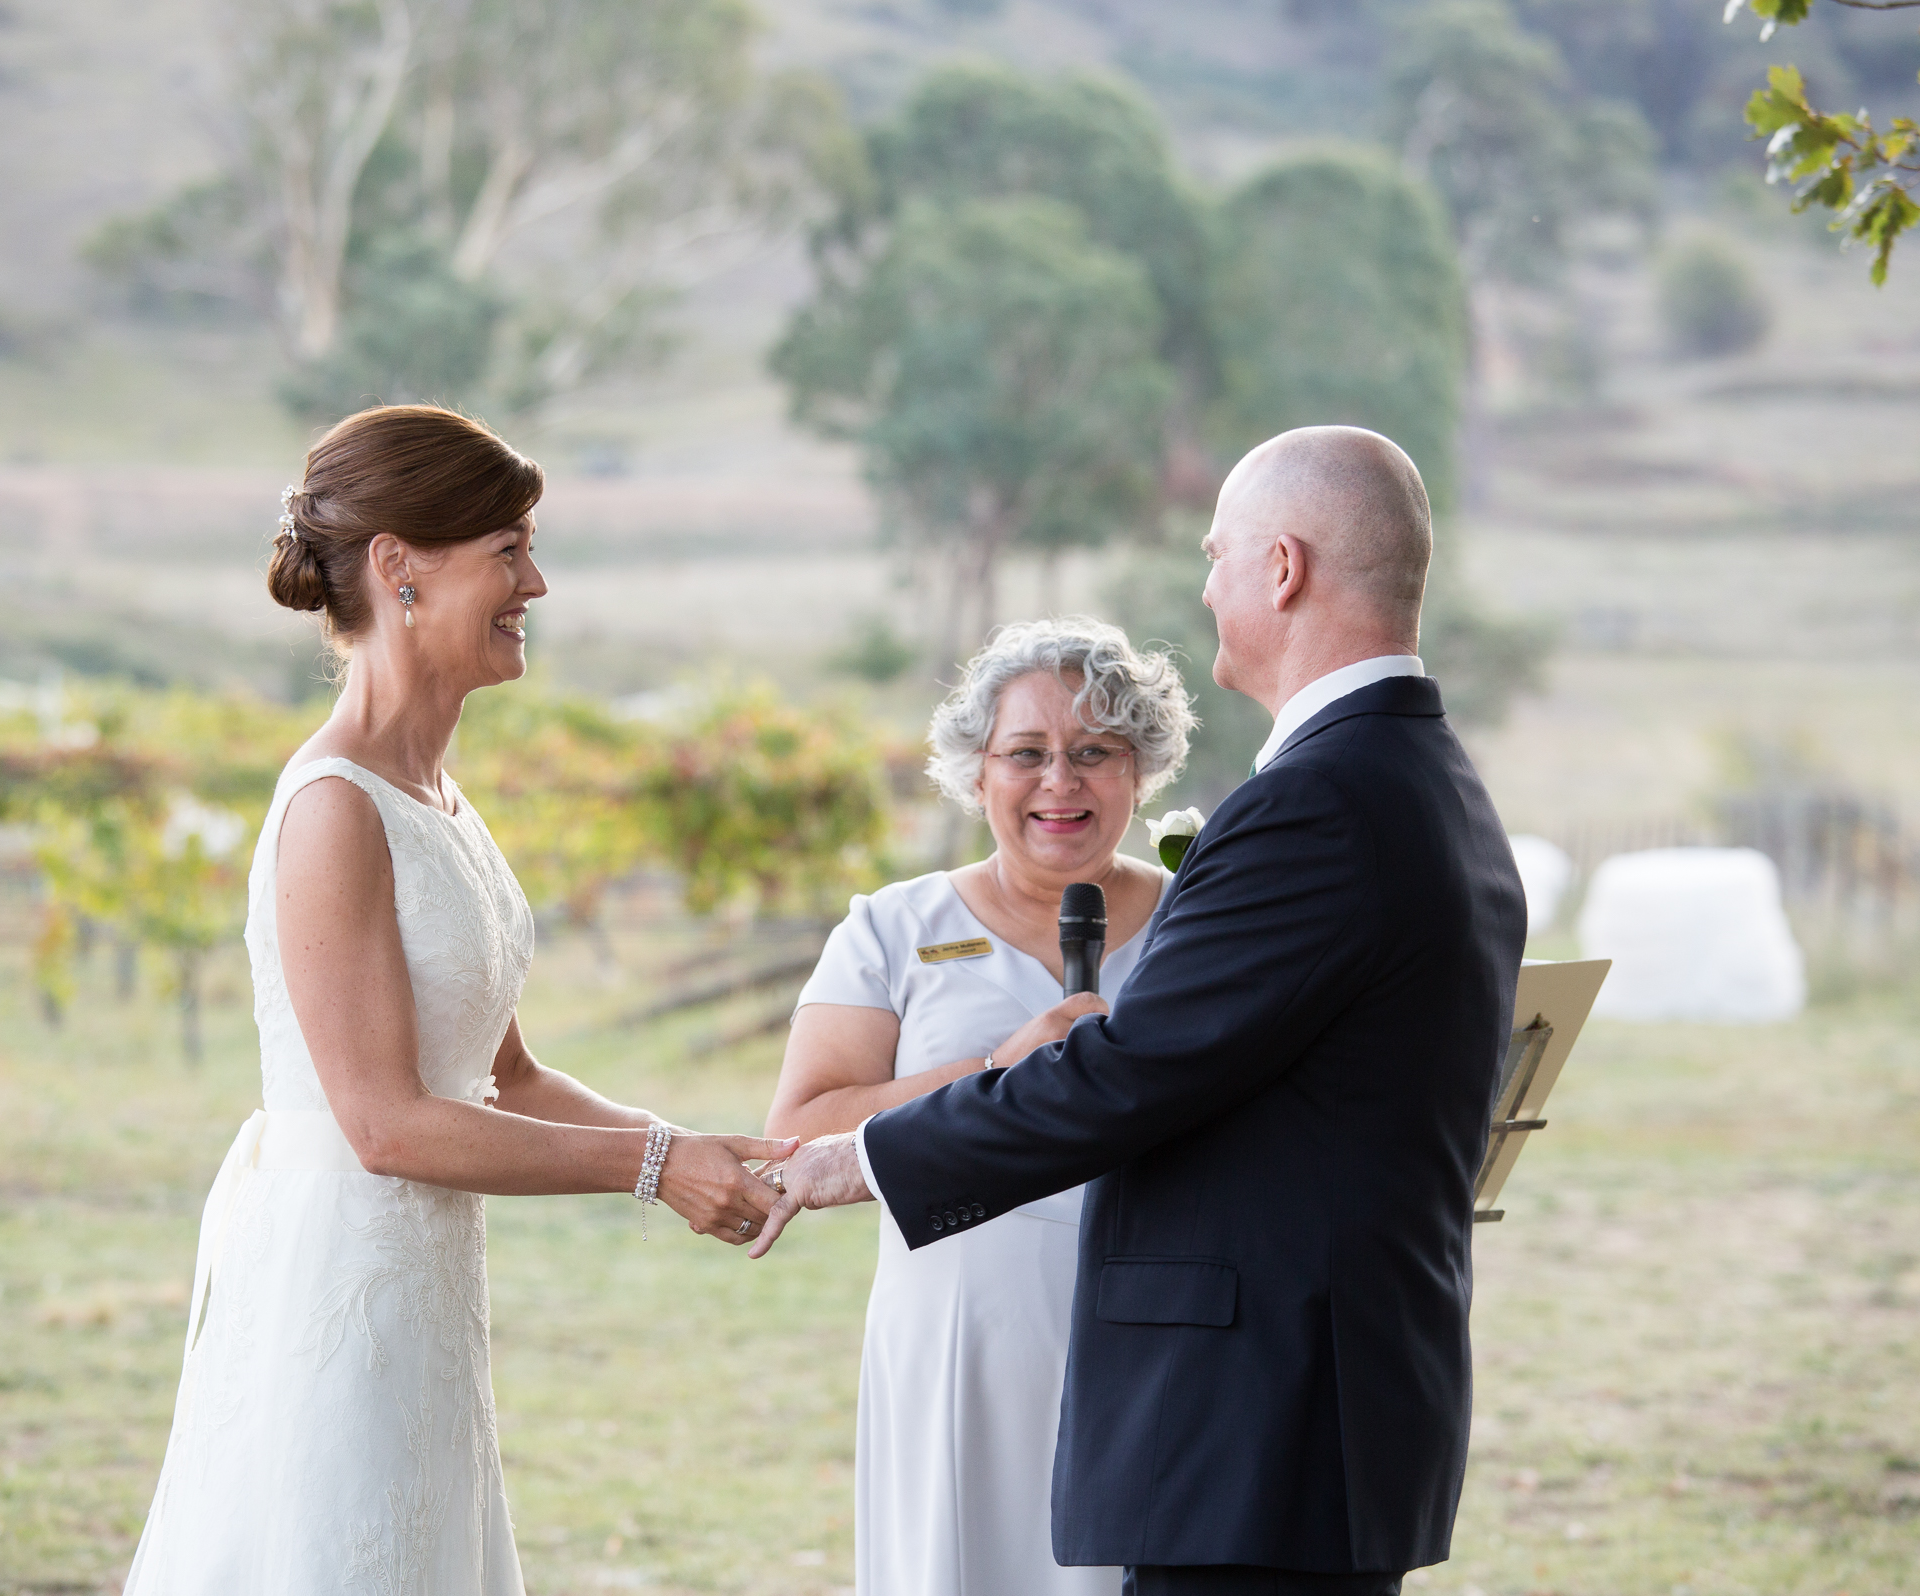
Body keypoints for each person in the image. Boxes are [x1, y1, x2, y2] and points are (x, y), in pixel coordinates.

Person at [754, 426, 1530, 1596]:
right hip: (1307, 1419)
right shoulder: (1422, 777)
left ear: (1281, 570)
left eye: (1217, 557)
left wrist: (852, 1160)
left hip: (1260, 1429)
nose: (1205, 587)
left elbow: (1126, 1072)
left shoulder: (1313, 805)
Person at [124, 405, 792, 1595]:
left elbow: (509, 1074)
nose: (535, 581)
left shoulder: (436, 798)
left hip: (429, 1302)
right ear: (400, 568)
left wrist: (690, 1145)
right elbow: (383, 1123)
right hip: (342, 1290)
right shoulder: (335, 808)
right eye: (508, 550)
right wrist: (652, 1169)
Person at [766, 617, 1196, 1596]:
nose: (1061, 782)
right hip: (960, 1341)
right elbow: (802, 1128)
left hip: (1159, 1338)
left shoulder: (1201, 920)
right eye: (1027, 754)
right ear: (977, 770)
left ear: (1142, 769)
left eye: (1095, 752)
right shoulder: (893, 926)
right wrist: (1000, 1064)